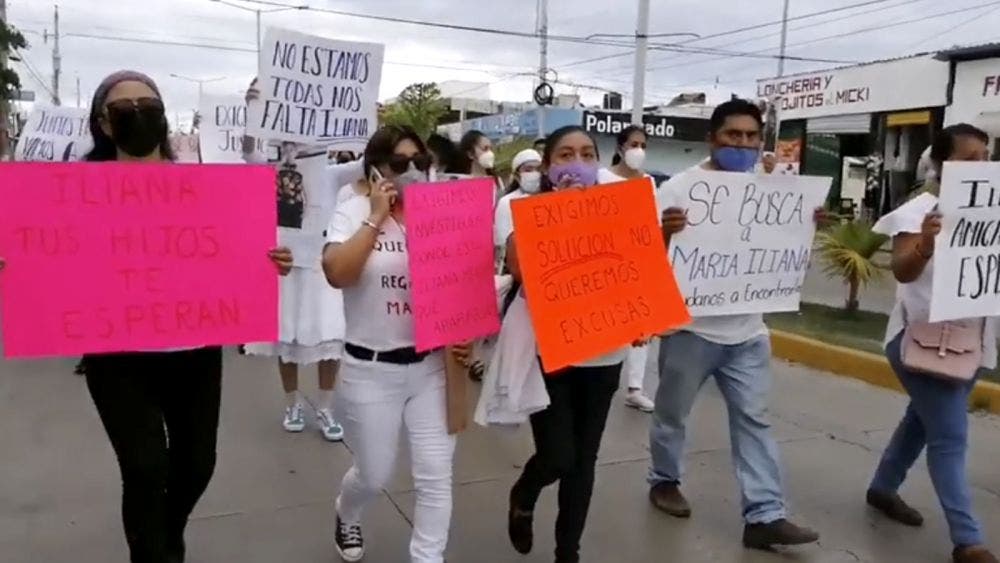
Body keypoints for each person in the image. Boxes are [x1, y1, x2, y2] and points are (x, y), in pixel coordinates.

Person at [0, 70, 293, 563]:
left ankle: (167, 531)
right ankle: (153, 553)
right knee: (144, 467)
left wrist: (268, 260)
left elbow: (233, 248)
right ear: (104, 123)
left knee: (197, 465)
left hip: (195, 352)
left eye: (148, 105)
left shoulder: (203, 186)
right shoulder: (72, 191)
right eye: (124, 108)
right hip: (117, 356)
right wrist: (15, 266)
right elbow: (47, 255)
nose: (138, 114)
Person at [651, 99, 820, 550]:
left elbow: (785, 253)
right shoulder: (679, 189)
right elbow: (645, 257)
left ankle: (765, 514)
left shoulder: (769, 191)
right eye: (733, 135)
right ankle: (664, 479)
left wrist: (806, 226)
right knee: (672, 415)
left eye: (750, 137)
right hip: (690, 330)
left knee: (754, 420)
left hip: (747, 333)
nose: (743, 144)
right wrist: (666, 232)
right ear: (712, 138)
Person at [323, 125, 471, 563]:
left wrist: (467, 337)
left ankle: (428, 557)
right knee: (373, 475)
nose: (411, 171)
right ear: (375, 169)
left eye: (419, 162)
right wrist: (375, 216)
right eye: (399, 164)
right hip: (371, 369)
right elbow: (337, 273)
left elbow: (465, 282)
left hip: (432, 368)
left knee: (435, 477)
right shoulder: (352, 209)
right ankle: (347, 511)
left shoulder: (442, 213)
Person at [866, 124, 996, 563]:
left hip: (971, 344)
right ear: (942, 164)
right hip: (922, 344)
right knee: (950, 436)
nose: (981, 165)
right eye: (969, 158)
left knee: (920, 422)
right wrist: (926, 243)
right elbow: (903, 271)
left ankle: (883, 487)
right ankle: (968, 540)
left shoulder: (992, 213)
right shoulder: (918, 212)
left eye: (986, 156)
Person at [505, 125, 632, 563]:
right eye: (565, 155)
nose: (577, 163)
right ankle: (525, 491)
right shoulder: (525, 209)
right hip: (552, 353)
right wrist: (558, 213)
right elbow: (518, 268)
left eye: (587, 154)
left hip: (605, 355)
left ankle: (567, 553)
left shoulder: (620, 209)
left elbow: (639, 270)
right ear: (547, 166)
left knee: (584, 462)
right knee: (559, 456)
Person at [242, 81, 366, 441]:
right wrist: (253, 109)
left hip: (321, 267)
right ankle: (292, 403)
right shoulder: (270, 168)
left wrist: (367, 116)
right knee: (288, 339)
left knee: (330, 337)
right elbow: (248, 152)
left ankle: (325, 407)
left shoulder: (331, 173)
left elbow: (367, 162)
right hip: (284, 266)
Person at [597, 125, 656, 413]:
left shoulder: (648, 182)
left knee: (641, 326)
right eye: (633, 144)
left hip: (636, 262)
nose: (638, 150)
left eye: (643, 145)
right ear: (620, 148)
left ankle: (635, 388)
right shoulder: (601, 178)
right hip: (604, 263)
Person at [494, 148, 542, 254]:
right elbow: (503, 243)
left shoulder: (550, 196)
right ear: (517, 175)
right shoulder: (506, 202)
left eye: (538, 169)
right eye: (528, 170)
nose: (535, 173)